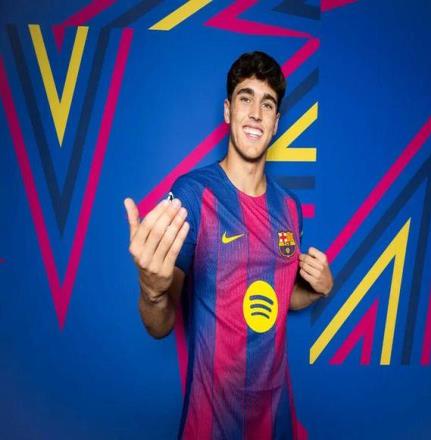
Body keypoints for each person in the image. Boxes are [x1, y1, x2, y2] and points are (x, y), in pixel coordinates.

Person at [124, 51, 334, 439]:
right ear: (227, 111)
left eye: (267, 104)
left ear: (276, 123)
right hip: (210, 424)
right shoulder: (192, 195)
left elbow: (280, 297)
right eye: (245, 98)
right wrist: (152, 292)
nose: (255, 113)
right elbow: (160, 326)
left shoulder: (291, 208)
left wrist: (317, 289)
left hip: (276, 420)